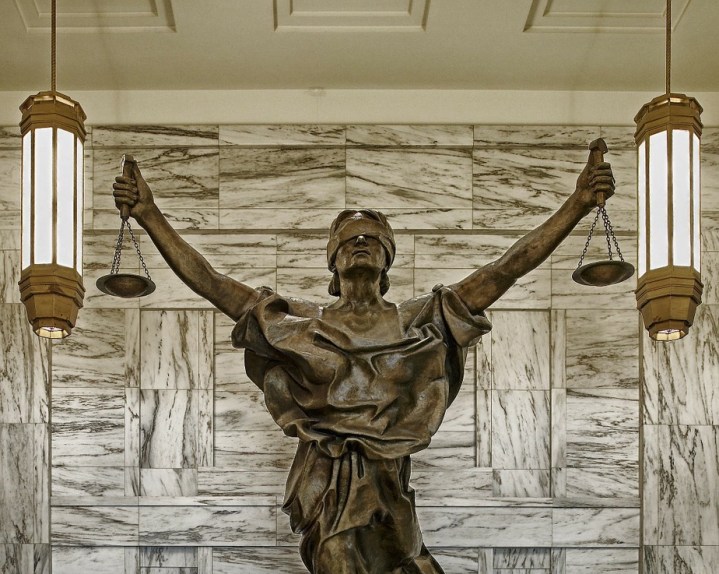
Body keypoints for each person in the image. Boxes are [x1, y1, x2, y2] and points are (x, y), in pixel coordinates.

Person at [113, 148, 614, 574]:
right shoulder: (297, 324)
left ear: (387, 258)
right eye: (350, 239)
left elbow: (504, 270)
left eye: (372, 238)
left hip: (390, 487)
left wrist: (576, 204)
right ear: (332, 260)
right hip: (327, 484)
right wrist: (150, 215)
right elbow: (211, 282)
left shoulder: (421, 320)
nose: (360, 243)